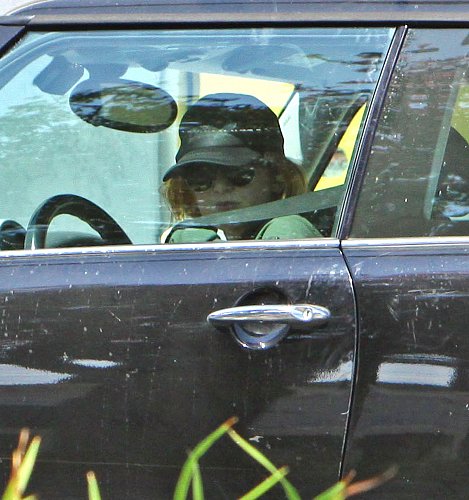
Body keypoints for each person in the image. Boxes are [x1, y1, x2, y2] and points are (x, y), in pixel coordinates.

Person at [161, 93, 322, 243]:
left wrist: (199, 251)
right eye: (200, 178)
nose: (220, 188)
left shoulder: (287, 229)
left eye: (238, 174)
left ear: (277, 177)